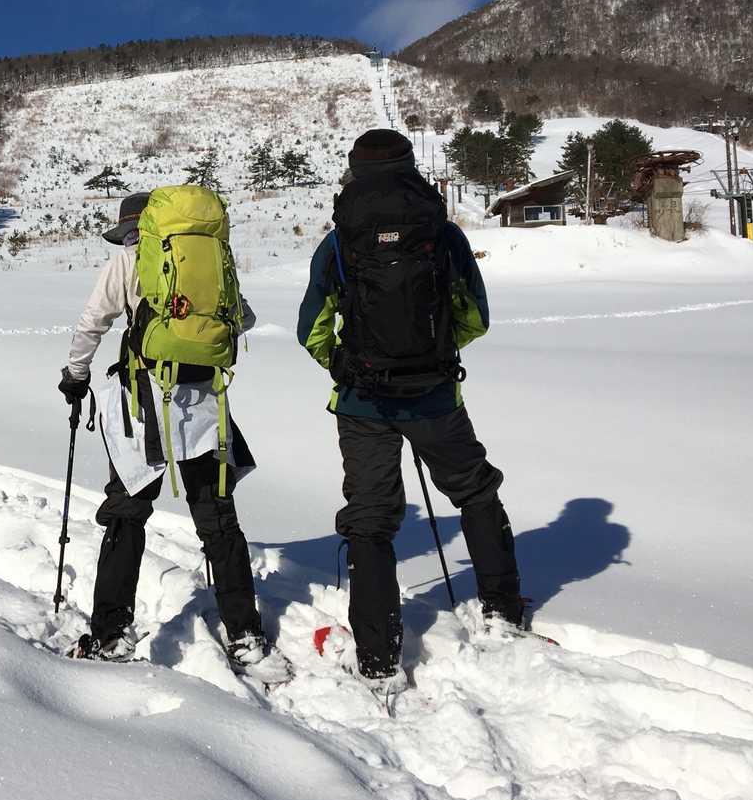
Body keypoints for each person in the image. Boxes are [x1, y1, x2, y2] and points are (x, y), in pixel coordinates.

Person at [296, 129, 523, 684]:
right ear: (409, 167)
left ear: (355, 170)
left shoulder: (341, 240)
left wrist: (347, 364)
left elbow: (311, 328)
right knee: (475, 491)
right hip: (436, 397)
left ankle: (377, 656)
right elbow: (475, 316)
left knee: (370, 520)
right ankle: (503, 613)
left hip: (362, 403)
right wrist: (432, 355)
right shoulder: (443, 234)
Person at [57, 191, 275, 673]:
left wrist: (76, 374)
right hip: (204, 404)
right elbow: (244, 317)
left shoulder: (127, 261)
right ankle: (245, 634)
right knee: (218, 517)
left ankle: (111, 634)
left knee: (126, 513)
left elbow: (93, 322)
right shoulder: (206, 259)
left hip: (144, 406)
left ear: (131, 230)